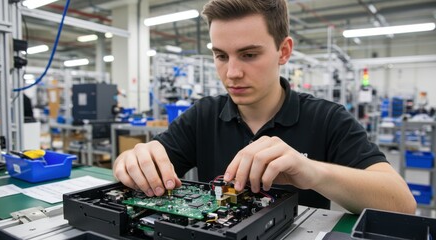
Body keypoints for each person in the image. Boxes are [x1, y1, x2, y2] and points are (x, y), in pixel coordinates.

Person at [114, 0, 416, 214]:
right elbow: (141, 169)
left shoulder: (327, 118)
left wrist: (311, 171)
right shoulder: (203, 115)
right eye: (221, 56)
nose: (231, 73)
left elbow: (402, 202)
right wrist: (130, 161)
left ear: (283, 51)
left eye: (248, 55)